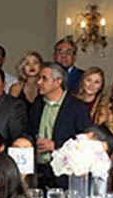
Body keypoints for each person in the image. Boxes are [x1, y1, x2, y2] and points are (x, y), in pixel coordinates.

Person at [28, 60, 92, 188]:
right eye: (39, 78)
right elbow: (29, 129)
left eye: (44, 79)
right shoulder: (38, 103)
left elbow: (85, 141)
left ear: (58, 82)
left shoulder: (77, 107)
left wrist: (56, 145)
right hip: (39, 172)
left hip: (64, 175)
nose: (39, 82)